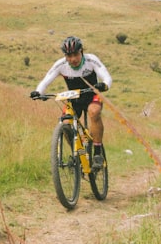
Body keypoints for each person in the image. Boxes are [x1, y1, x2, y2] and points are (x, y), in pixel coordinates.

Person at [30, 36, 113, 168]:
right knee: (65, 123)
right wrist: (38, 92)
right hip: (74, 99)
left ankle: (97, 152)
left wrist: (104, 85)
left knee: (94, 112)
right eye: (69, 55)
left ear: (82, 52)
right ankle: (78, 152)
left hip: (92, 96)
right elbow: (46, 81)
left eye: (75, 54)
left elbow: (107, 77)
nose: (72, 59)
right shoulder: (60, 64)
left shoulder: (91, 60)